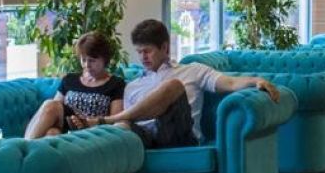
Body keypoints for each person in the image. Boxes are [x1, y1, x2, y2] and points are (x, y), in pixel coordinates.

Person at [73, 18, 279, 147]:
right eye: (139, 52)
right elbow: (130, 122)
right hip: (145, 140)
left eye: (148, 51)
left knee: (174, 86)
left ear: (165, 48)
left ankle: (105, 121)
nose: (143, 57)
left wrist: (256, 80)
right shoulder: (132, 85)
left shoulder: (193, 70)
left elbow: (230, 83)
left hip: (179, 136)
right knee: (122, 126)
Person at [23, 31, 125, 139]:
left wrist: (89, 121)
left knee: (52, 118)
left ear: (105, 59)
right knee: (52, 130)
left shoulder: (116, 84)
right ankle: (25, 144)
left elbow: (115, 119)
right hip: (67, 127)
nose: (87, 65)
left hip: (93, 131)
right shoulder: (70, 79)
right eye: (83, 60)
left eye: (92, 60)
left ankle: (23, 146)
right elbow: (54, 109)